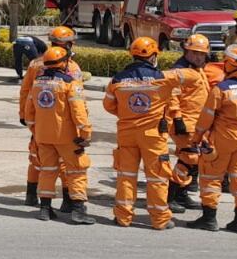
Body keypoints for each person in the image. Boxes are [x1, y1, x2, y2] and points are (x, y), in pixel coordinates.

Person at [102, 36, 190, 230]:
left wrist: (127, 113)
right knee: (157, 177)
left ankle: (123, 217)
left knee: (126, 175)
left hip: (126, 134)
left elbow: (108, 105)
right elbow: (190, 77)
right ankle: (160, 219)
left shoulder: (117, 79)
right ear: (153, 56)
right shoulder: (162, 78)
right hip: (153, 135)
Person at [23, 46, 96, 224]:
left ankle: (45, 209)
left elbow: (29, 113)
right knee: (76, 170)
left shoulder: (37, 83)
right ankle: (78, 210)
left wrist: (35, 130)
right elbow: (79, 113)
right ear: (63, 63)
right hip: (66, 137)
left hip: (42, 136)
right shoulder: (71, 84)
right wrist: (85, 134)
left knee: (47, 171)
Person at [17, 27, 82, 207]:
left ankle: (32, 196)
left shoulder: (36, 64)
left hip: (39, 120)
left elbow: (25, 91)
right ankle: (68, 201)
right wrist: (82, 127)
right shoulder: (71, 67)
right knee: (66, 162)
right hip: (64, 123)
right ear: (67, 44)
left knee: (37, 158)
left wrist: (24, 115)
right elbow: (78, 100)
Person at [188, 44, 237, 233]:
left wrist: (196, 138)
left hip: (222, 140)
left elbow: (206, 117)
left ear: (228, 64)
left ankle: (209, 219)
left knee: (211, 177)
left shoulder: (221, 89)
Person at [164, 34, 219, 213]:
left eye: (202, 54)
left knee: (194, 160)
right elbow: (172, 95)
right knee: (189, 158)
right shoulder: (179, 70)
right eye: (195, 53)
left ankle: (181, 195)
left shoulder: (197, 69)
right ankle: (170, 197)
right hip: (185, 122)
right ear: (186, 51)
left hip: (197, 123)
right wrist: (177, 118)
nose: (199, 57)